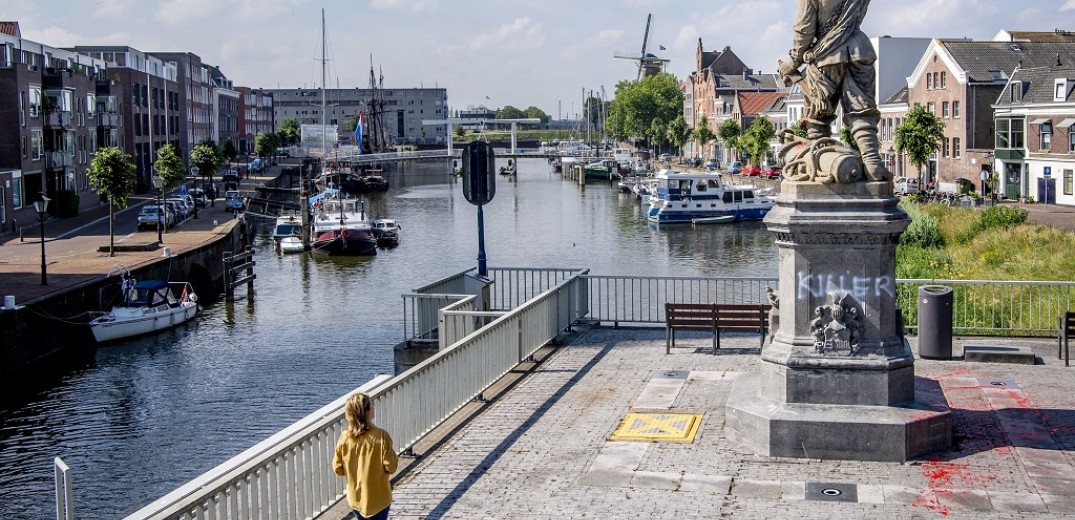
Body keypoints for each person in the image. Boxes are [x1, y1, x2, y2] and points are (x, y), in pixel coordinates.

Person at [778, 0, 887, 182]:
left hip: (826, 55)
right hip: (860, 49)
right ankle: (873, 163)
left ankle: (819, 163)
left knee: (817, 117)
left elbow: (804, 29)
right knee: (861, 111)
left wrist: (793, 62)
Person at [334, 393, 398, 520]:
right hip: (379, 498)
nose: (374, 406)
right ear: (366, 412)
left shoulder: (344, 437)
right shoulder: (381, 436)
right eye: (371, 404)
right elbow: (391, 466)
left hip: (356, 498)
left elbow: (337, 468)